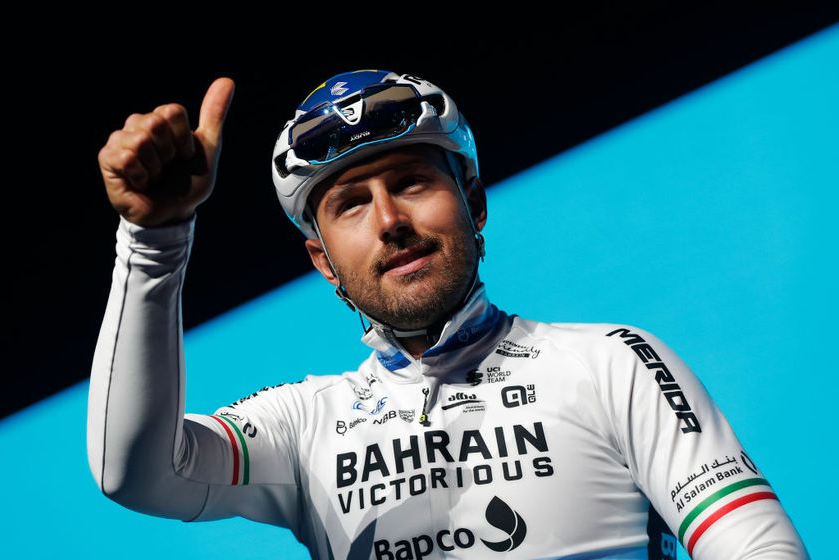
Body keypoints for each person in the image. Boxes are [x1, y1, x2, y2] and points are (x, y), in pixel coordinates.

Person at [87, 69, 809, 559]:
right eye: (350, 206)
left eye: (411, 182)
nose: (390, 220)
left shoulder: (609, 362)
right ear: (323, 261)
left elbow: (756, 545)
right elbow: (136, 472)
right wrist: (154, 243)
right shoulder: (305, 425)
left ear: (475, 203)